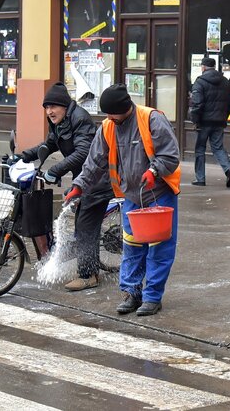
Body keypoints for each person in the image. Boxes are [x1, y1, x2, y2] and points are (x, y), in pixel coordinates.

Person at [67, 84, 181, 317]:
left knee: (159, 249)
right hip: (131, 197)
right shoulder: (108, 127)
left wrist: (154, 171)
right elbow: (94, 161)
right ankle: (132, 293)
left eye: (113, 113)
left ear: (126, 107)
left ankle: (152, 297)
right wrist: (79, 185)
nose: (109, 118)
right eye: (107, 114)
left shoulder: (151, 120)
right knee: (132, 247)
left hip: (159, 196)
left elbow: (171, 155)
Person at [13, 81, 113, 291]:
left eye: (53, 107)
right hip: (83, 179)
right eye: (46, 107)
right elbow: (49, 144)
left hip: (98, 180)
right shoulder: (60, 121)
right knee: (80, 224)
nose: (49, 111)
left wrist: (55, 170)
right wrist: (23, 156)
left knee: (85, 227)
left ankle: (89, 275)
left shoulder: (80, 119)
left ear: (65, 106)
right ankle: (87, 264)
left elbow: (83, 152)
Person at [189, 57, 230, 188]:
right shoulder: (225, 82)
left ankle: (200, 178)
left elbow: (197, 104)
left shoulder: (200, 82)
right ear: (214, 67)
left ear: (203, 67)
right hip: (219, 121)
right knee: (218, 147)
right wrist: (223, 117)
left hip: (204, 122)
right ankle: (228, 169)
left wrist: (195, 120)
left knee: (200, 149)